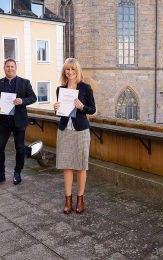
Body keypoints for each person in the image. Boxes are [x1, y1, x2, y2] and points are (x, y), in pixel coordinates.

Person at [53, 58, 96, 214]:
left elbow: (92, 109)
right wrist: (56, 108)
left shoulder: (85, 88)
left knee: (81, 167)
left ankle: (80, 200)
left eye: (73, 70)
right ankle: (68, 201)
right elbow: (61, 111)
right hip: (65, 131)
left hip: (81, 131)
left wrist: (82, 106)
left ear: (78, 71)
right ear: (64, 72)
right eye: (67, 70)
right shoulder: (60, 89)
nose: (70, 72)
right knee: (67, 166)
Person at [0, 58, 37, 187]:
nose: (10, 68)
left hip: (19, 121)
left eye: (12, 66)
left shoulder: (24, 82)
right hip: (3, 121)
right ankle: (0, 175)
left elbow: (33, 97)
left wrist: (22, 101)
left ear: (16, 68)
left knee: (20, 149)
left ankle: (17, 173)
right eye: (7, 66)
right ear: (4, 68)